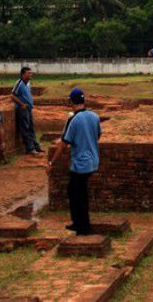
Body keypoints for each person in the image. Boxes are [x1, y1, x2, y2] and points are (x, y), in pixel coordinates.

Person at [49, 88, 102, 236]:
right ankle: (79, 223)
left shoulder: (74, 119)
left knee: (76, 194)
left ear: (71, 101)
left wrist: (52, 162)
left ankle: (82, 226)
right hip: (93, 161)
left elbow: (63, 144)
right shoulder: (94, 116)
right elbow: (97, 135)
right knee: (78, 192)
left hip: (81, 164)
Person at [11, 66, 44, 155]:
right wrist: (22, 104)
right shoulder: (19, 83)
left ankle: (36, 146)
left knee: (31, 128)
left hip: (29, 109)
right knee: (25, 129)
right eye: (28, 73)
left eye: (31, 73)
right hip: (23, 109)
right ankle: (30, 148)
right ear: (23, 74)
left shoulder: (28, 84)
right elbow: (12, 96)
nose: (30, 75)